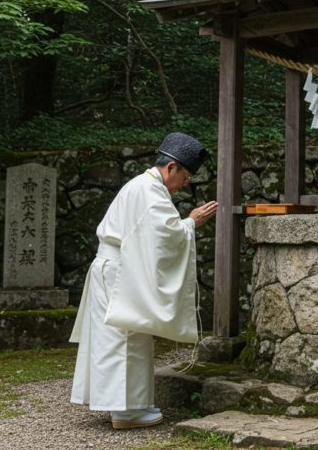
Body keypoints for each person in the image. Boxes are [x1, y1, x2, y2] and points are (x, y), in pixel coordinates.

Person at [70, 132, 219, 429]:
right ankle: (126, 412)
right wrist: (191, 223)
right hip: (118, 272)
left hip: (113, 269)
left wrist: (185, 223)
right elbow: (165, 235)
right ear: (171, 167)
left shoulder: (144, 187)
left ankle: (128, 406)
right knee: (125, 337)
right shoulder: (148, 191)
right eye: (186, 176)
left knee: (124, 337)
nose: (185, 183)